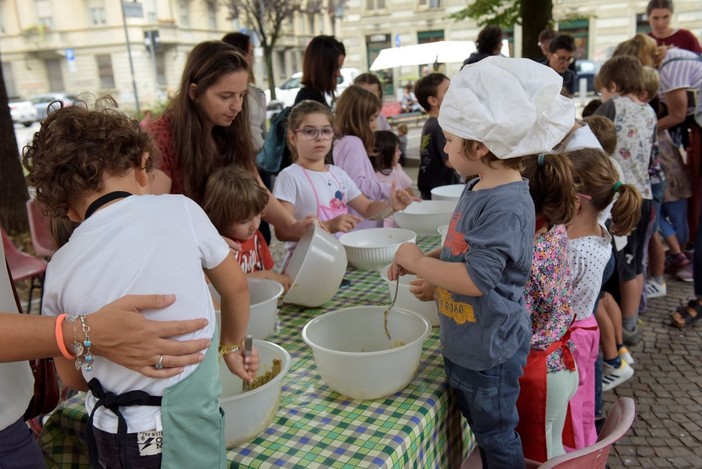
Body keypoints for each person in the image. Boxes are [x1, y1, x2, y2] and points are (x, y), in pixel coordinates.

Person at [22, 101, 259, 468]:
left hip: (110, 432)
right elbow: (236, 288)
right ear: (142, 167)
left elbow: (71, 374)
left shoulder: (60, 267)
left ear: (66, 209)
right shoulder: (180, 209)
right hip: (183, 426)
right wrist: (229, 346)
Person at [388, 57, 576, 467]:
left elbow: (476, 278)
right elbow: (464, 250)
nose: (444, 147)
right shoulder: (478, 186)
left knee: (496, 435)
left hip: (490, 351)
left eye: (450, 140)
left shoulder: (506, 204)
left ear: (480, 147)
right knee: (480, 425)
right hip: (468, 341)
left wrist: (419, 261)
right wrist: (430, 258)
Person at [145, 40, 312, 243]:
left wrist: (292, 225)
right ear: (194, 93)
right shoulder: (162, 137)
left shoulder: (228, 128)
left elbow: (256, 187)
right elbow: (154, 220)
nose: (238, 107)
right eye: (226, 97)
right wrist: (207, 242)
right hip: (194, 261)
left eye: (241, 95)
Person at [564, 148, 642, 450]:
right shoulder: (599, 232)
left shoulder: (572, 249)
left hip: (566, 341)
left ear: (575, 198)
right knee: (581, 403)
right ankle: (585, 449)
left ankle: (572, 455)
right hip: (584, 331)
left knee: (568, 409)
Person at [273, 100, 411, 262]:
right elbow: (283, 232)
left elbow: (367, 208)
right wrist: (329, 226)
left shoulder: (338, 174)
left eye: (326, 131)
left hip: (337, 261)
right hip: (305, 266)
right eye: (309, 131)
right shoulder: (289, 176)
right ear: (293, 137)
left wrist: (391, 205)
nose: (319, 138)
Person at [516, 152, 579, 462]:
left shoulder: (524, 253)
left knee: (541, 457)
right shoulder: (555, 229)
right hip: (562, 359)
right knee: (554, 448)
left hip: (541, 371)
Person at [612, 33, 702, 248]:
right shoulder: (669, 62)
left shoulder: (670, 67)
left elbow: (677, 114)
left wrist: (642, 129)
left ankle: (688, 254)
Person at [594, 55, 657, 346]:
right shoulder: (649, 111)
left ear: (614, 85)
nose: (601, 96)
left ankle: (628, 326)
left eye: (603, 90)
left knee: (627, 263)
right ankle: (631, 318)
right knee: (637, 262)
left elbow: (597, 145)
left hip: (622, 195)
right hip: (645, 194)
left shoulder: (613, 106)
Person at [333, 85, 412, 231]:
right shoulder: (353, 143)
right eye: (370, 119)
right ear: (357, 119)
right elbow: (358, 183)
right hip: (361, 223)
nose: (374, 125)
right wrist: (390, 190)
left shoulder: (341, 142)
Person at [202, 166, 291, 292]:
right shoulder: (217, 246)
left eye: (258, 214)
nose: (254, 225)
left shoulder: (256, 237)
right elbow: (212, 287)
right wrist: (261, 276)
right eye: (244, 221)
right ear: (220, 217)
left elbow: (268, 272)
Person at [415, 72, 458, 200]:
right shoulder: (440, 125)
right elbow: (450, 161)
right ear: (433, 100)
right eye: (447, 91)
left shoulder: (430, 123)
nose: (454, 94)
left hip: (431, 188)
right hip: (442, 191)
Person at [373, 130, 415, 227]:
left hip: (392, 224)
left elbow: (409, 195)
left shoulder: (396, 170)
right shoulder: (397, 172)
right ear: (384, 154)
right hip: (395, 224)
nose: (400, 153)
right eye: (396, 150)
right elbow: (410, 194)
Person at [294, 35, 346, 107]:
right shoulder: (310, 101)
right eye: (336, 68)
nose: (339, 74)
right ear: (323, 67)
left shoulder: (313, 96)